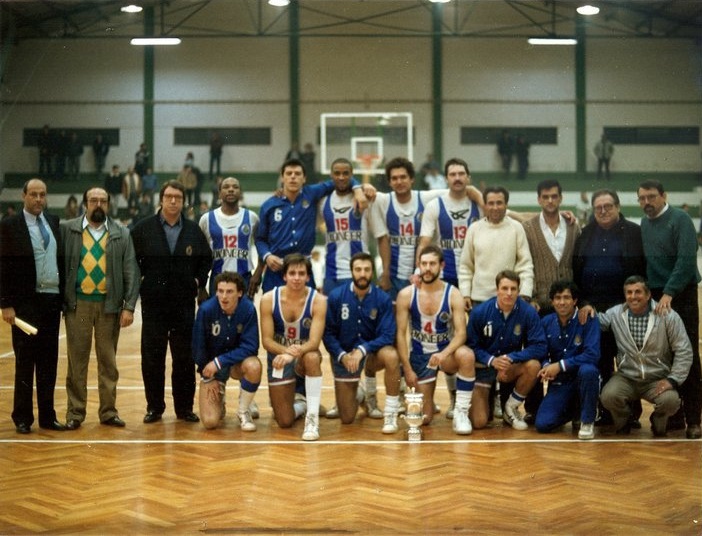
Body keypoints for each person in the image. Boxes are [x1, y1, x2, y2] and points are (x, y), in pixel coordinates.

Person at [131, 180, 213, 425]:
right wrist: (141, 281)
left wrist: (198, 280)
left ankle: (184, 408)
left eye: (178, 197)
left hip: (183, 305)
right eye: (169, 197)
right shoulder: (143, 228)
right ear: (161, 199)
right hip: (153, 304)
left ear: (184, 201)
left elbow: (206, 260)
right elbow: (131, 260)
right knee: (152, 358)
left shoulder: (193, 230)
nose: (173, 201)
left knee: (184, 358)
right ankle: (154, 407)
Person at [61, 186, 140, 429]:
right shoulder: (68, 229)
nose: (98, 204)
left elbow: (131, 271)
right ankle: (75, 413)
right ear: (85, 203)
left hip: (109, 305)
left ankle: (108, 412)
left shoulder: (121, 233)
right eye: (93, 200)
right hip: (78, 305)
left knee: (108, 362)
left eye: (103, 201)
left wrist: (128, 307)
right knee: (77, 362)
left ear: (108, 204)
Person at [572, 188, 646, 427]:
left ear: (618, 207)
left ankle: (631, 413)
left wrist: (635, 304)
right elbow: (576, 270)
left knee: (628, 360)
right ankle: (605, 411)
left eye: (608, 206)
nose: (603, 211)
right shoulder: (585, 233)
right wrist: (583, 303)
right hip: (594, 309)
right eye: (598, 208)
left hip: (626, 307)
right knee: (602, 359)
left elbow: (642, 269)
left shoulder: (634, 232)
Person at [0, 179, 65, 434]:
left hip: (51, 301)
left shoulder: (53, 222)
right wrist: (6, 304)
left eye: (42, 195)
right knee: (25, 362)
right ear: (23, 196)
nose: (39, 199)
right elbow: (3, 267)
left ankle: (48, 416)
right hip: (25, 305)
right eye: (34, 194)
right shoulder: (9, 226)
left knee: (49, 363)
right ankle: (23, 417)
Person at [637, 179, 701, 439]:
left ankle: (694, 420)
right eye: (642, 198)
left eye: (651, 196)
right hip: (657, 296)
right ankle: (676, 415)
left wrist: (670, 293)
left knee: (688, 355)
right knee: (666, 356)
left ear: (664, 195)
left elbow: (686, 260)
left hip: (680, 295)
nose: (647, 202)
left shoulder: (680, 219)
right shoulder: (644, 224)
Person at [596, 276, 692, 437]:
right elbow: (595, 323)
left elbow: (684, 350)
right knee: (608, 396)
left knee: (670, 401)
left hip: (657, 378)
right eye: (629, 292)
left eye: (638, 292)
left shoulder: (668, 315)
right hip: (627, 377)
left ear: (648, 295)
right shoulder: (615, 314)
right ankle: (624, 420)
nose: (633, 296)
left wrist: (673, 379)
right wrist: (586, 310)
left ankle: (658, 421)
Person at [255, 158, 369, 293]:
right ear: (282, 177)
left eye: (297, 174)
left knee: (310, 306)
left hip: (303, 268)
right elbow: (260, 239)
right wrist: (267, 255)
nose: (293, 177)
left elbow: (340, 180)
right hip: (276, 269)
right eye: (289, 173)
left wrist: (358, 188)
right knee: (271, 305)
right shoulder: (269, 205)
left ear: (304, 178)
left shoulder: (311, 193)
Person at [396, 245, 476, 434]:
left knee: (466, 355)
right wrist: (407, 369)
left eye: (432, 264)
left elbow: (461, 333)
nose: (427, 268)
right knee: (424, 418)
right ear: (418, 265)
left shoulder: (453, 293)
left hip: (445, 354)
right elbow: (400, 334)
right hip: (420, 356)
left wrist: (443, 353)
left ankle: (461, 412)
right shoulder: (406, 294)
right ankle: (429, 400)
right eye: (424, 264)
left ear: (442, 265)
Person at [323, 252, 401, 433]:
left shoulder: (382, 298)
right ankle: (359, 395)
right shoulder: (336, 296)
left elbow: (388, 335)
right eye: (358, 269)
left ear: (373, 272)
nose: (362, 274)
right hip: (345, 357)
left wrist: (363, 349)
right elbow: (327, 334)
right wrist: (342, 355)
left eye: (367, 270)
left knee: (391, 355)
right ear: (351, 271)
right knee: (347, 418)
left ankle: (390, 414)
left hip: (371, 355)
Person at [466, 270, 546, 430]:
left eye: (513, 289)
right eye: (504, 288)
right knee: (479, 422)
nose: (509, 293)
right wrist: (492, 361)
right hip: (484, 368)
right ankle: (468, 403)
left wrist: (511, 358)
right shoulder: (480, 312)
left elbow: (540, 346)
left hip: (510, 368)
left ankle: (511, 407)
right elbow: (471, 346)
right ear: (497, 290)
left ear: (518, 290)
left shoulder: (528, 312)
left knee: (533, 365)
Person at [260, 253, 327, 441]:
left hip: (303, 356)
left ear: (308, 277)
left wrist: (292, 354)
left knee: (313, 357)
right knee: (284, 420)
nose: (296, 278)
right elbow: (267, 341)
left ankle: (312, 419)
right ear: (284, 276)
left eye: (301, 273)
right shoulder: (268, 299)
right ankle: (303, 405)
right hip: (279, 358)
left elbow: (314, 342)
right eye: (292, 273)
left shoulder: (318, 301)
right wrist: (286, 353)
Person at [192, 272, 261, 431]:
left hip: (235, 364)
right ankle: (219, 400)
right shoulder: (206, 310)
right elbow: (198, 347)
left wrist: (219, 362)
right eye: (220, 291)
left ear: (240, 293)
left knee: (254, 366)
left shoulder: (248, 309)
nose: (224, 296)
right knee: (210, 422)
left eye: (229, 291)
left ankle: (243, 410)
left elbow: (251, 347)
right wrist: (208, 377)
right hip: (212, 369)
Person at [371, 157, 444, 301]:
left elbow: (458, 190)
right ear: (389, 182)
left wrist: (476, 193)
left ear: (412, 179)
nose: (399, 182)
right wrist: (385, 273)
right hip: (393, 277)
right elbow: (382, 240)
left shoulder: (425, 198)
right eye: (394, 178)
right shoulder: (383, 200)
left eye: (403, 177)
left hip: (422, 275)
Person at [535, 280, 600, 440]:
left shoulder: (588, 319)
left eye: (566, 297)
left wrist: (560, 365)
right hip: (560, 382)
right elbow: (540, 351)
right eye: (557, 298)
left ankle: (587, 420)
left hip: (581, 377)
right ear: (552, 301)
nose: (562, 302)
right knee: (543, 424)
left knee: (589, 370)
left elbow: (592, 354)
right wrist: (546, 365)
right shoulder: (546, 322)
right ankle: (576, 410)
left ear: (575, 300)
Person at [458, 185, 534, 313]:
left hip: (509, 300)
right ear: (485, 205)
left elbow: (525, 265)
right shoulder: (474, 229)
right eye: (491, 203)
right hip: (479, 301)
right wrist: (465, 293)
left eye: (499, 203)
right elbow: (466, 266)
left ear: (506, 205)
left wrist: (524, 293)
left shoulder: (516, 228)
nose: (495, 207)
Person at [418, 157, 482, 289]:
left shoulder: (480, 205)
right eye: (453, 174)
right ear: (446, 179)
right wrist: (418, 271)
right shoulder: (434, 206)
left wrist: (480, 197)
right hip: (444, 276)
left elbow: (502, 216)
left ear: (468, 178)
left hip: (475, 275)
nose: (457, 178)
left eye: (461, 174)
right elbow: (424, 243)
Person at [319, 158, 380, 295]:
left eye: (345, 173)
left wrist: (364, 187)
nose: (341, 177)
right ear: (331, 175)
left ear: (351, 175)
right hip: (332, 274)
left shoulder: (365, 198)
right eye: (337, 173)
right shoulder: (323, 202)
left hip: (360, 273)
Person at [522, 180, 580, 314]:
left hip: (569, 303)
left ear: (560, 198)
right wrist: (531, 298)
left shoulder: (573, 227)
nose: (550, 201)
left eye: (554, 196)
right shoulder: (528, 228)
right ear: (539, 200)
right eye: (545, 197)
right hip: (540, 305)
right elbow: (525, 265)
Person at [199, 176, 260, 299]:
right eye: (226, 187)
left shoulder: (252, 217)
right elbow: (199, 255)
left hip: (244, 278)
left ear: (240, 193)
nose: (231, 189)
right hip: (217, 278)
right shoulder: (206, 219)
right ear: (219, 193)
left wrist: (258, 273)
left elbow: (262, 246)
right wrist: (201, 287)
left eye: (235, 187)